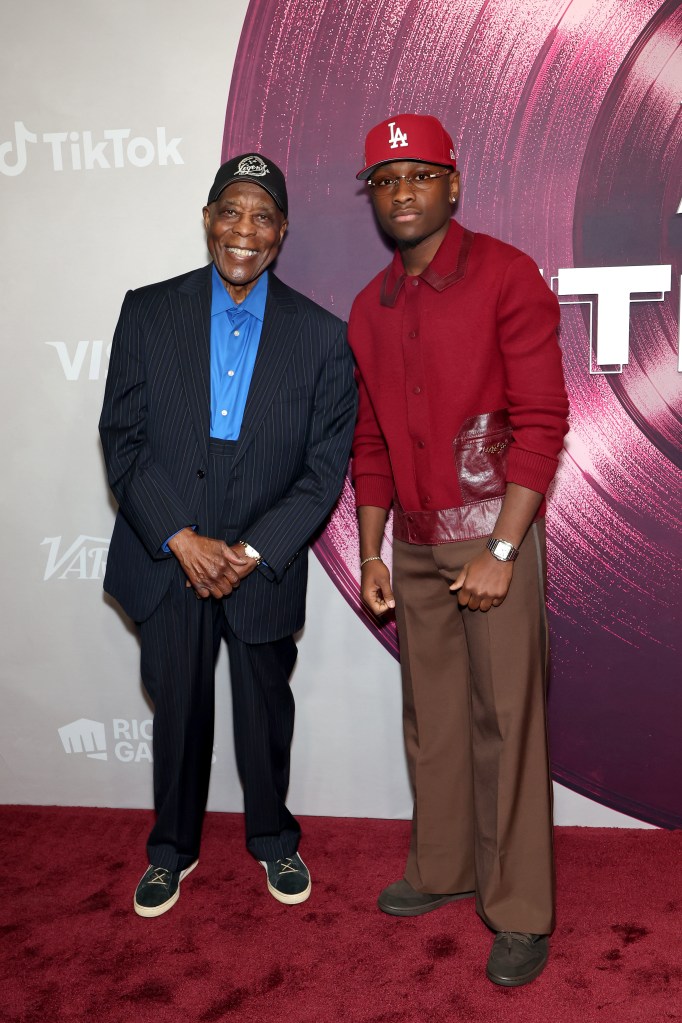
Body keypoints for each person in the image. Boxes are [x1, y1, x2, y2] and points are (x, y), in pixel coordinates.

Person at [99, 153, 357, 917]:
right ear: (208, 218)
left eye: (262, 216)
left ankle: (274, 838)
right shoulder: (147, 312)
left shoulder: (323, 337)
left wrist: (248, 551)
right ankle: (170, 851)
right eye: (232, 211)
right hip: (169, 549)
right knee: (178, 708)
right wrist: (179, 537)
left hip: (261, 557)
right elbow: (122, 437)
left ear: (282, 232)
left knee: (264, 711)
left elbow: (323, 469)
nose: (245, 229)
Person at [348, 114, 569, 987]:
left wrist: (504, 549)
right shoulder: (368, 307)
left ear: (453, 184)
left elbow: (543, 423)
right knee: (433, 717)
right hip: (410, 546)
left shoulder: (508, 275)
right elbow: (370, 442)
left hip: (491, 537)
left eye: (419, 174)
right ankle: (443, 866)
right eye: (385, 179)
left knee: (507, 722)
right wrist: (372, 553)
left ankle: (520, 910)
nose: (401, 192)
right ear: (372, 197)